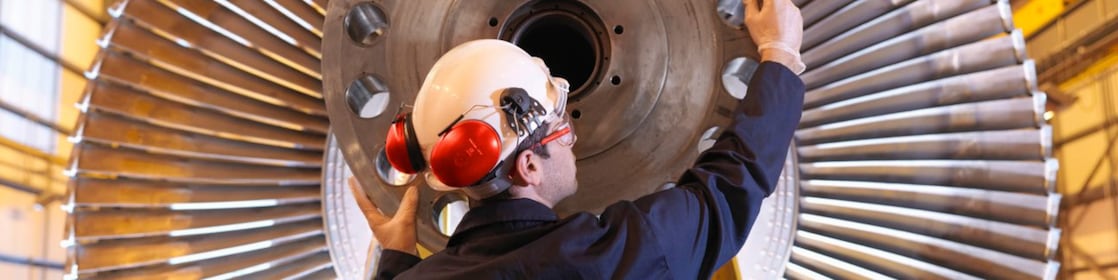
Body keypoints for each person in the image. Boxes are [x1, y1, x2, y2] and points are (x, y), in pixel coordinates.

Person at [348, 0, 805, 278]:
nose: (574, 136)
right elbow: (726, 192)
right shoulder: (608, 260)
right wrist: (779, 53)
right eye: (561, 128)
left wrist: (398, 259)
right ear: (528, 166)